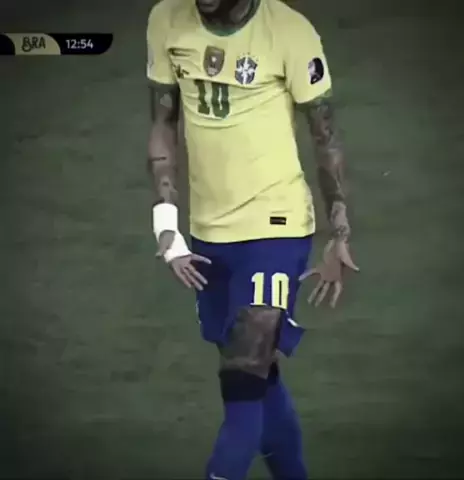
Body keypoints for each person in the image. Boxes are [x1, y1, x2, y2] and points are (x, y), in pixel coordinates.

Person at [146, 0, 359, 478]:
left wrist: (339, 229)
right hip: (209, 235)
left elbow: (326, 139)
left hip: (275, 228)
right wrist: (166, 222)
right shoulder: (166, 19)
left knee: (241, 385)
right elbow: (162, 124)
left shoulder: (289, 31)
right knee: (260, 380)